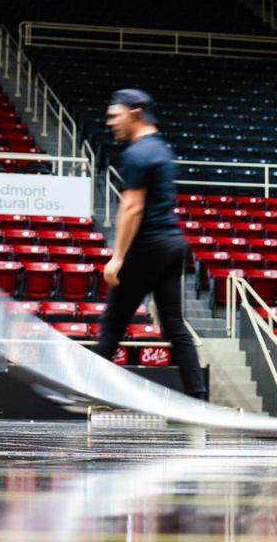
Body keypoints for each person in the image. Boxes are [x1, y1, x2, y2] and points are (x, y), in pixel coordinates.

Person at [95, 88, 208, 401]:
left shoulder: (137, 154)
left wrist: (118, 257)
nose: (110, 123)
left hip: (147, 247)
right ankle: (198, 399)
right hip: (172, 246)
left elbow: (132, 207)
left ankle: (87, 392)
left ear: (135, 113)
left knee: (113, 323)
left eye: (115, 116)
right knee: (174, 325)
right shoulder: (161, 149)